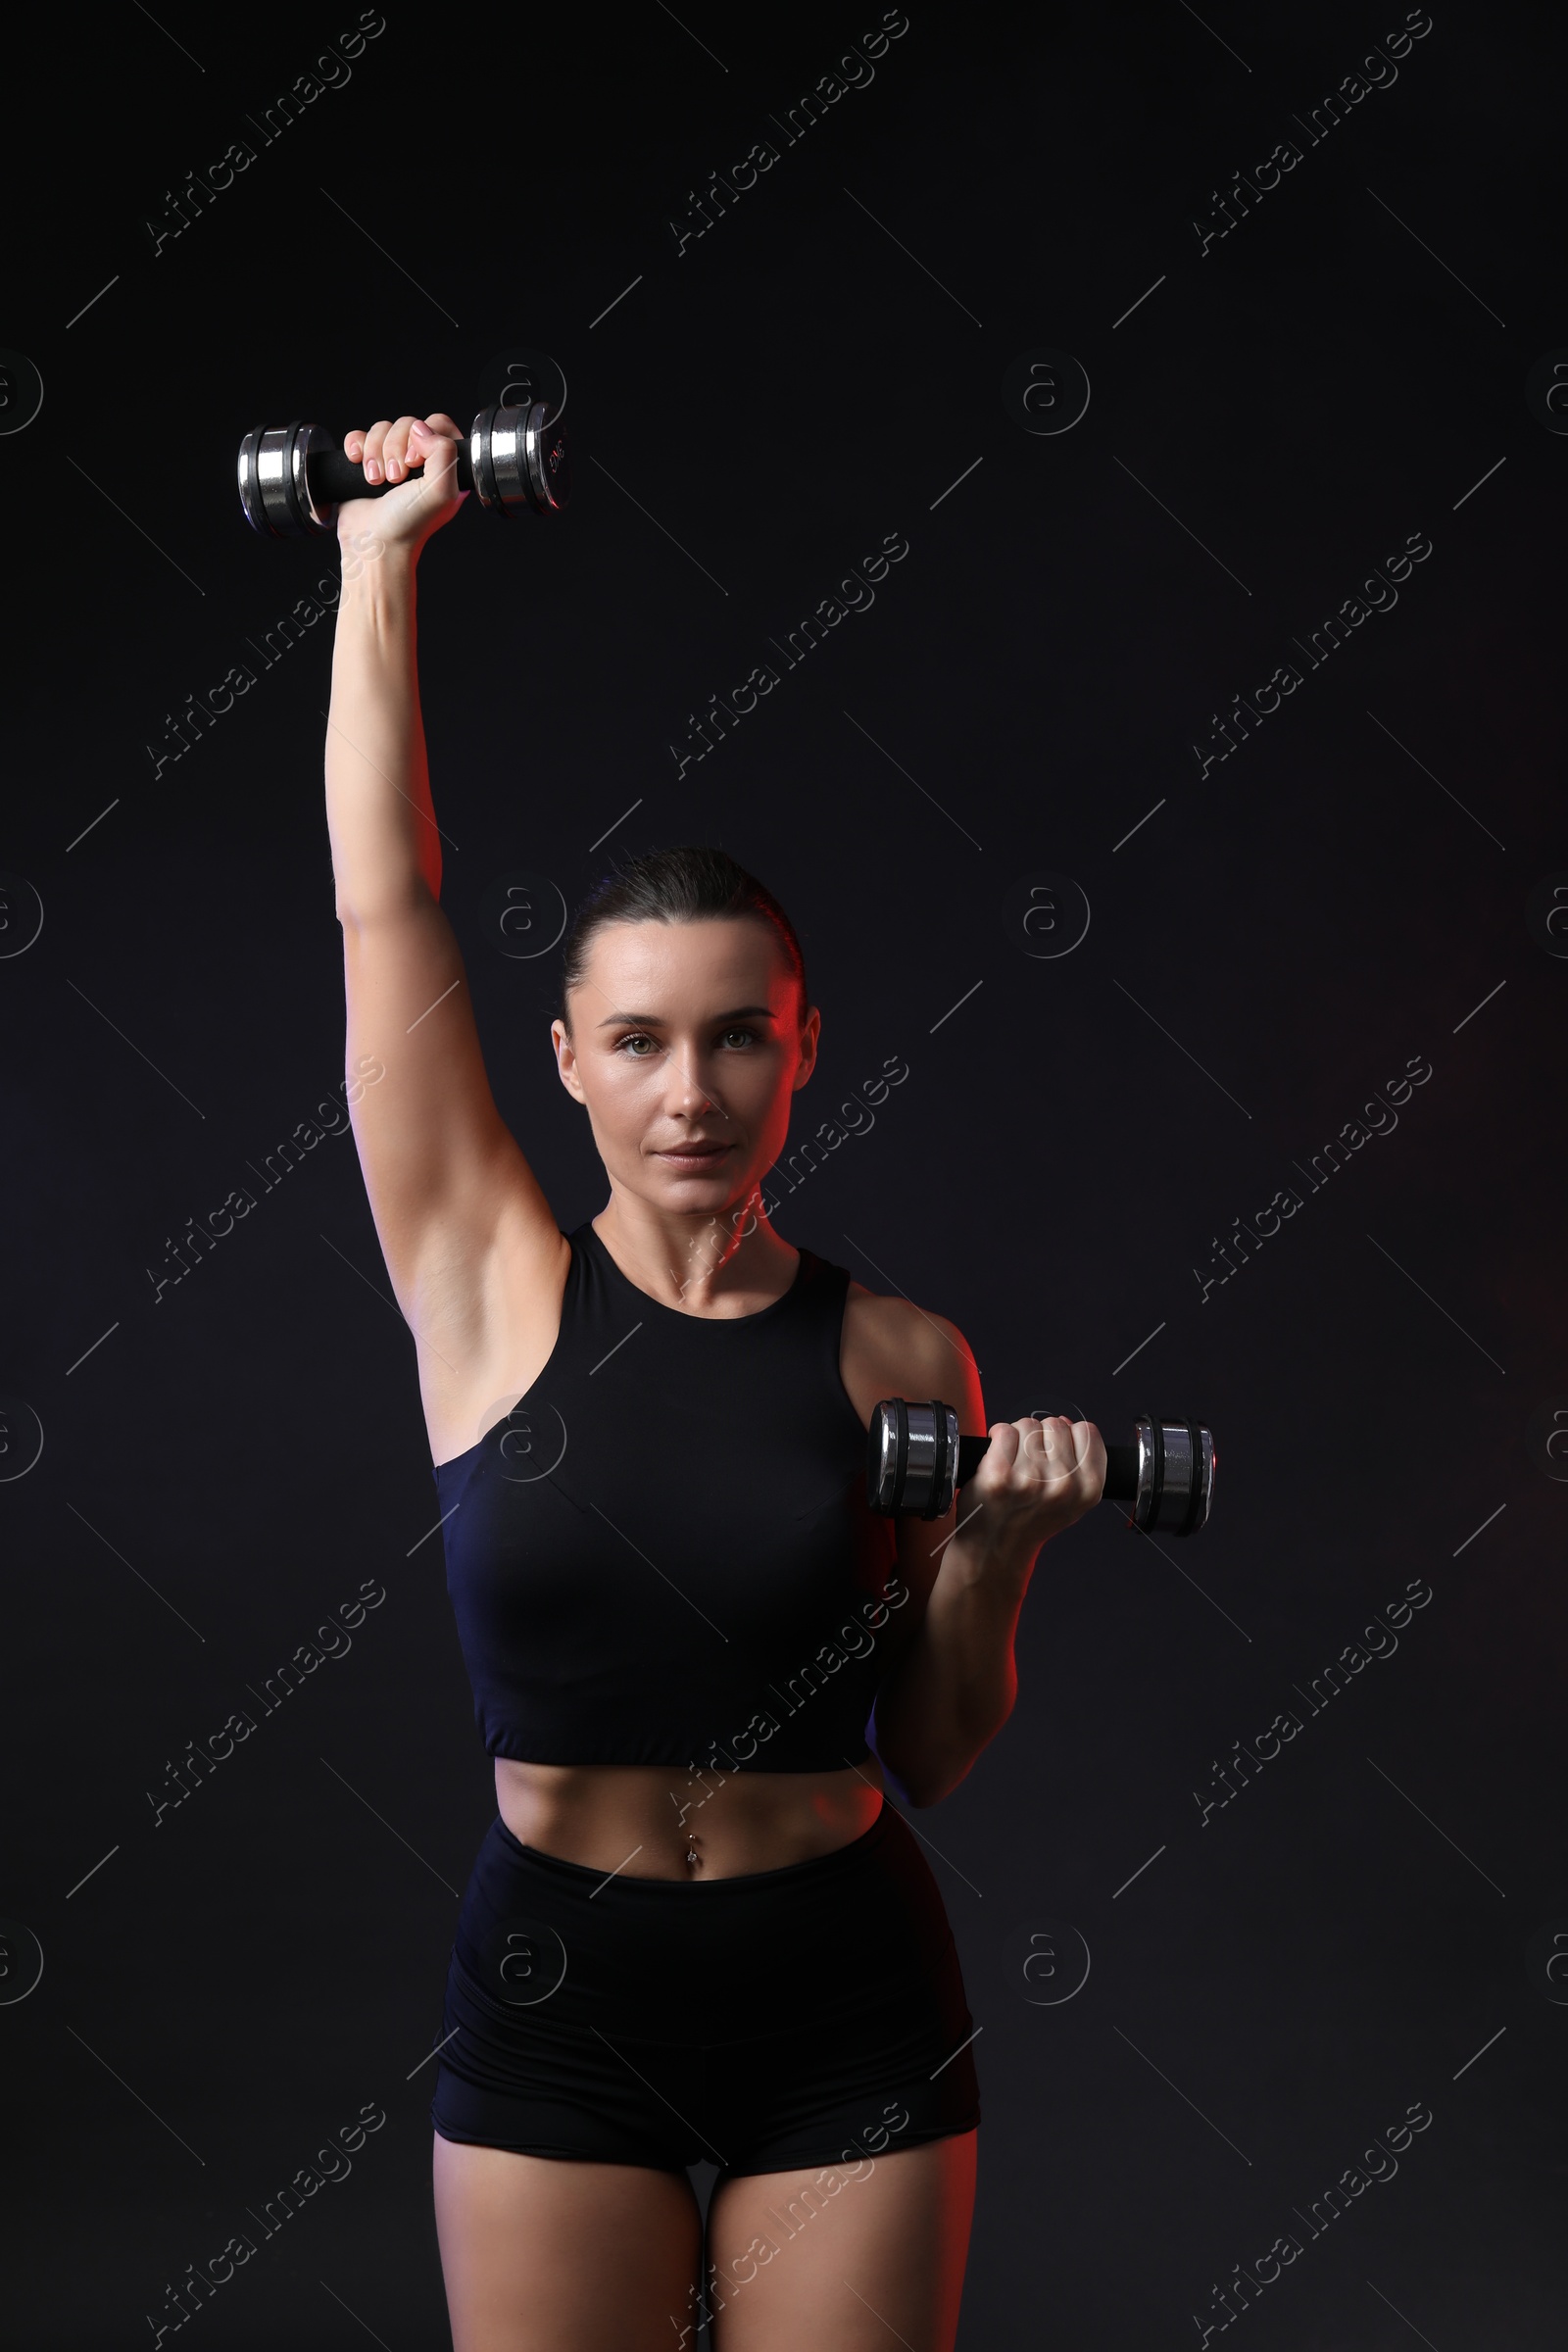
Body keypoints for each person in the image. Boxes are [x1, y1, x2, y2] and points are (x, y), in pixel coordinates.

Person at [324, 409, 1107, 2352]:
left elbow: (921, 1749)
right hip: (556, 1992)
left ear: (802, 1047)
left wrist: (995, 1560)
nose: (693, 1094)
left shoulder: (897, 1353)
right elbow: (383, 909)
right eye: (645, 1043)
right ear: (569, 1057)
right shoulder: (483, 1276)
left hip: (839, 1988)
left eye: (739, 1040)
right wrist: (377, 564)